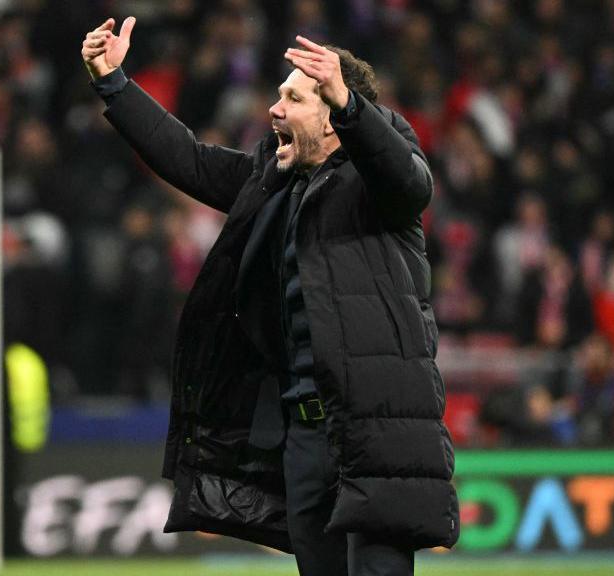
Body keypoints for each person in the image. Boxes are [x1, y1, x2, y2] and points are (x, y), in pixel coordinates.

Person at [82, 17, 458, 576]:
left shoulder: (374, 174)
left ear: (332, 115)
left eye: (294, 98)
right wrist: (114, 82)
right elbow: (188, 158)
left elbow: (409, 184)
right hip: (304, 432)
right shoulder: (272, 180)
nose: (273, 110)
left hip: (375, 424)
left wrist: (352, 105)